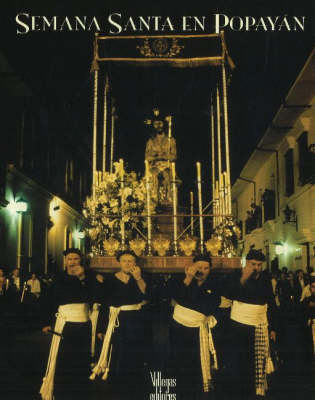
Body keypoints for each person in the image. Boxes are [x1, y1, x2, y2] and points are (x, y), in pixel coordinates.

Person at [39, 248, 103, 400]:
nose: (73, 262)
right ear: (65, 261)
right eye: (70, 259)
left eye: (75, 259)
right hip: (65, 324)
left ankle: (79, 393)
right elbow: (49, 300)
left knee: (81, 359)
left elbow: (94, 296)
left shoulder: (89, 276)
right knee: (64, 358)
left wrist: (82, 278)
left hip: (83, 324)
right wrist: (46, 322)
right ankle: (63, 392)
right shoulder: (58, 277)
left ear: (80, 260)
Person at [91, 250, 151, 398]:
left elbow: (147, 295)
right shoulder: (110, 280)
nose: (127, 263)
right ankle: (117, 387)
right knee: (117, 352)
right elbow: (104, 304)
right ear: (119, 262)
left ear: (135, 263)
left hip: (136, 320)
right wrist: (101, 328)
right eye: (124, 260)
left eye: (131, 261)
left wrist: (138, 278)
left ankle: (135, 385)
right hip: (116, 320)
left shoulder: (141, 277)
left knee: (135, 352)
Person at [224, 249, 277, 399]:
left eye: (259, 265)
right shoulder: (235, 275)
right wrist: (243, 280)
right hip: (238, 325)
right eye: (253, 264)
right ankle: (239, 392)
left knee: (255, 361)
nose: (256, 268)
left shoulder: (265, 279)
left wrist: (273, 328)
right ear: (246, 263)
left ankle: (254, 391)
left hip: (259, 324)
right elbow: (228, 295)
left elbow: (271, 303)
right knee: (239, 360)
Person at [168, 254, 220, 398]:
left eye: (206, 268)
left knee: (196, 362)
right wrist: (189, 278)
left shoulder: (214, 284)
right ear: (192, 267)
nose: (202, 271)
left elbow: (212, 305)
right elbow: (177, 296)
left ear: (210, 269)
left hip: (198, 328)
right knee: (178, 360)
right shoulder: (181, 280)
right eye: (199, 267)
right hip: (178, 327)